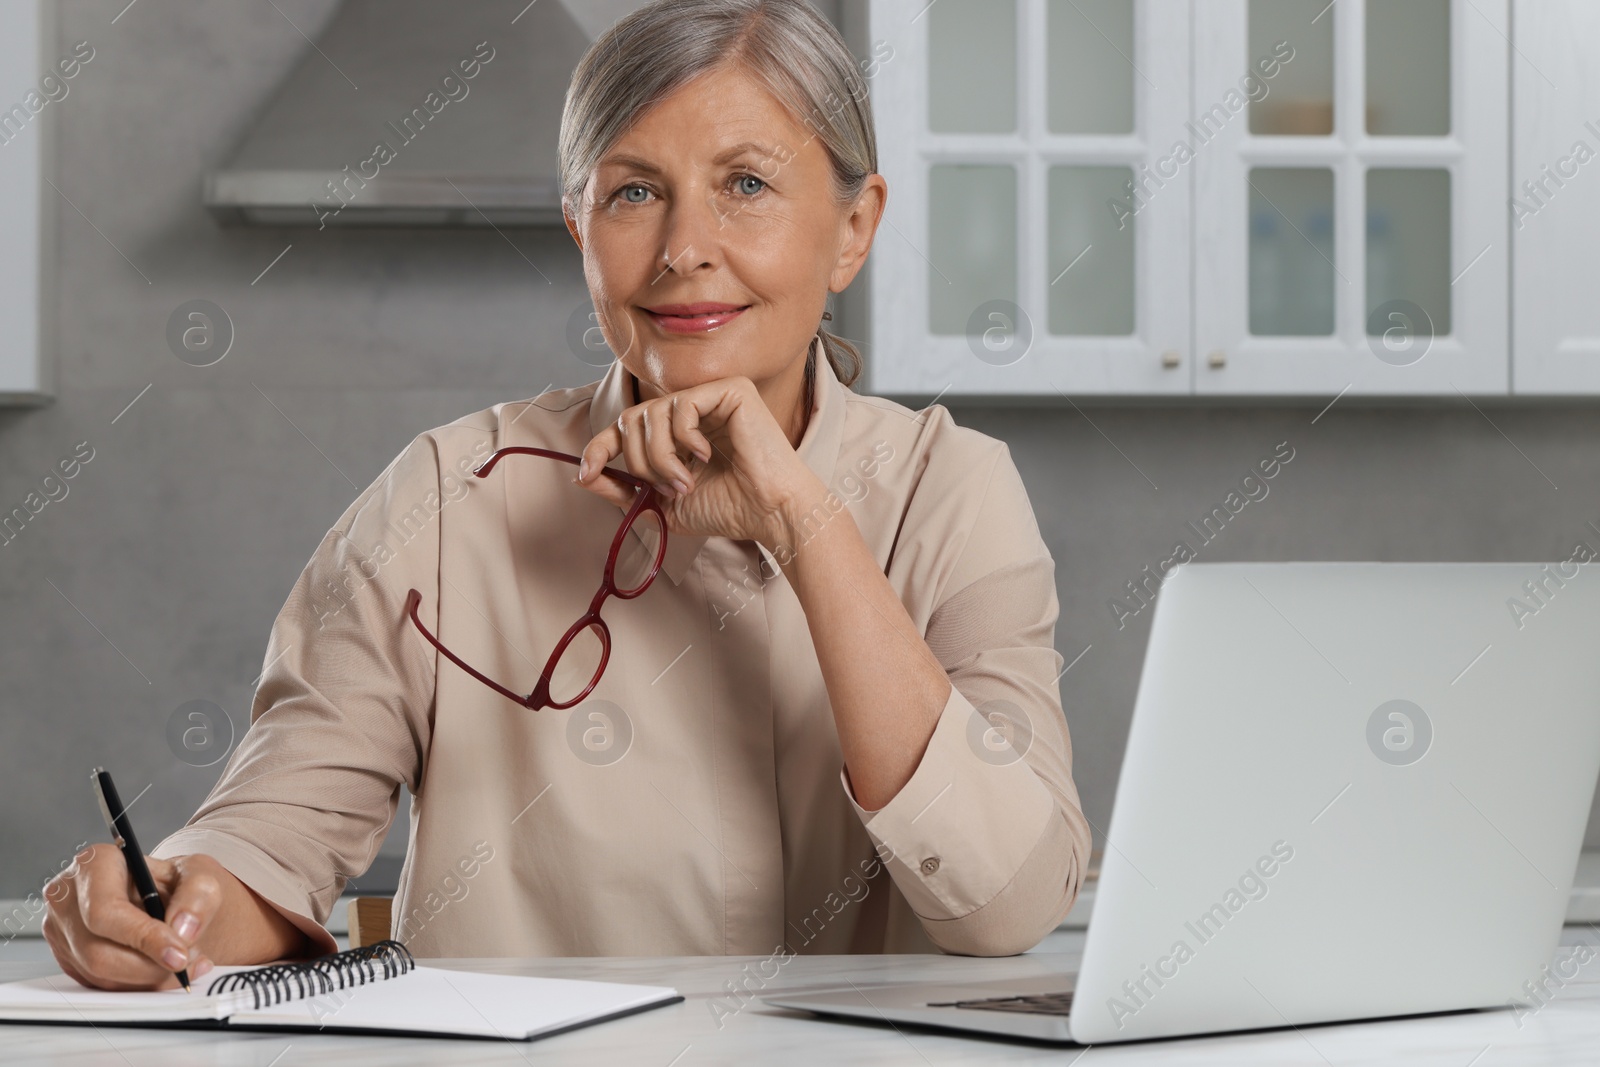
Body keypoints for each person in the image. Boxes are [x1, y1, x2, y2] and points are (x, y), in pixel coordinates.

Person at [44, 0, 1091, 991]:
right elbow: (271, 834)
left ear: (854, 226)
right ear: (579, 230)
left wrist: (801, 518)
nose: (685, 248)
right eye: (632, 191)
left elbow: (1003, 899)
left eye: (747, 185)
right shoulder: (446, 497)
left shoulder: (951, 489)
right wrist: (170, 907)